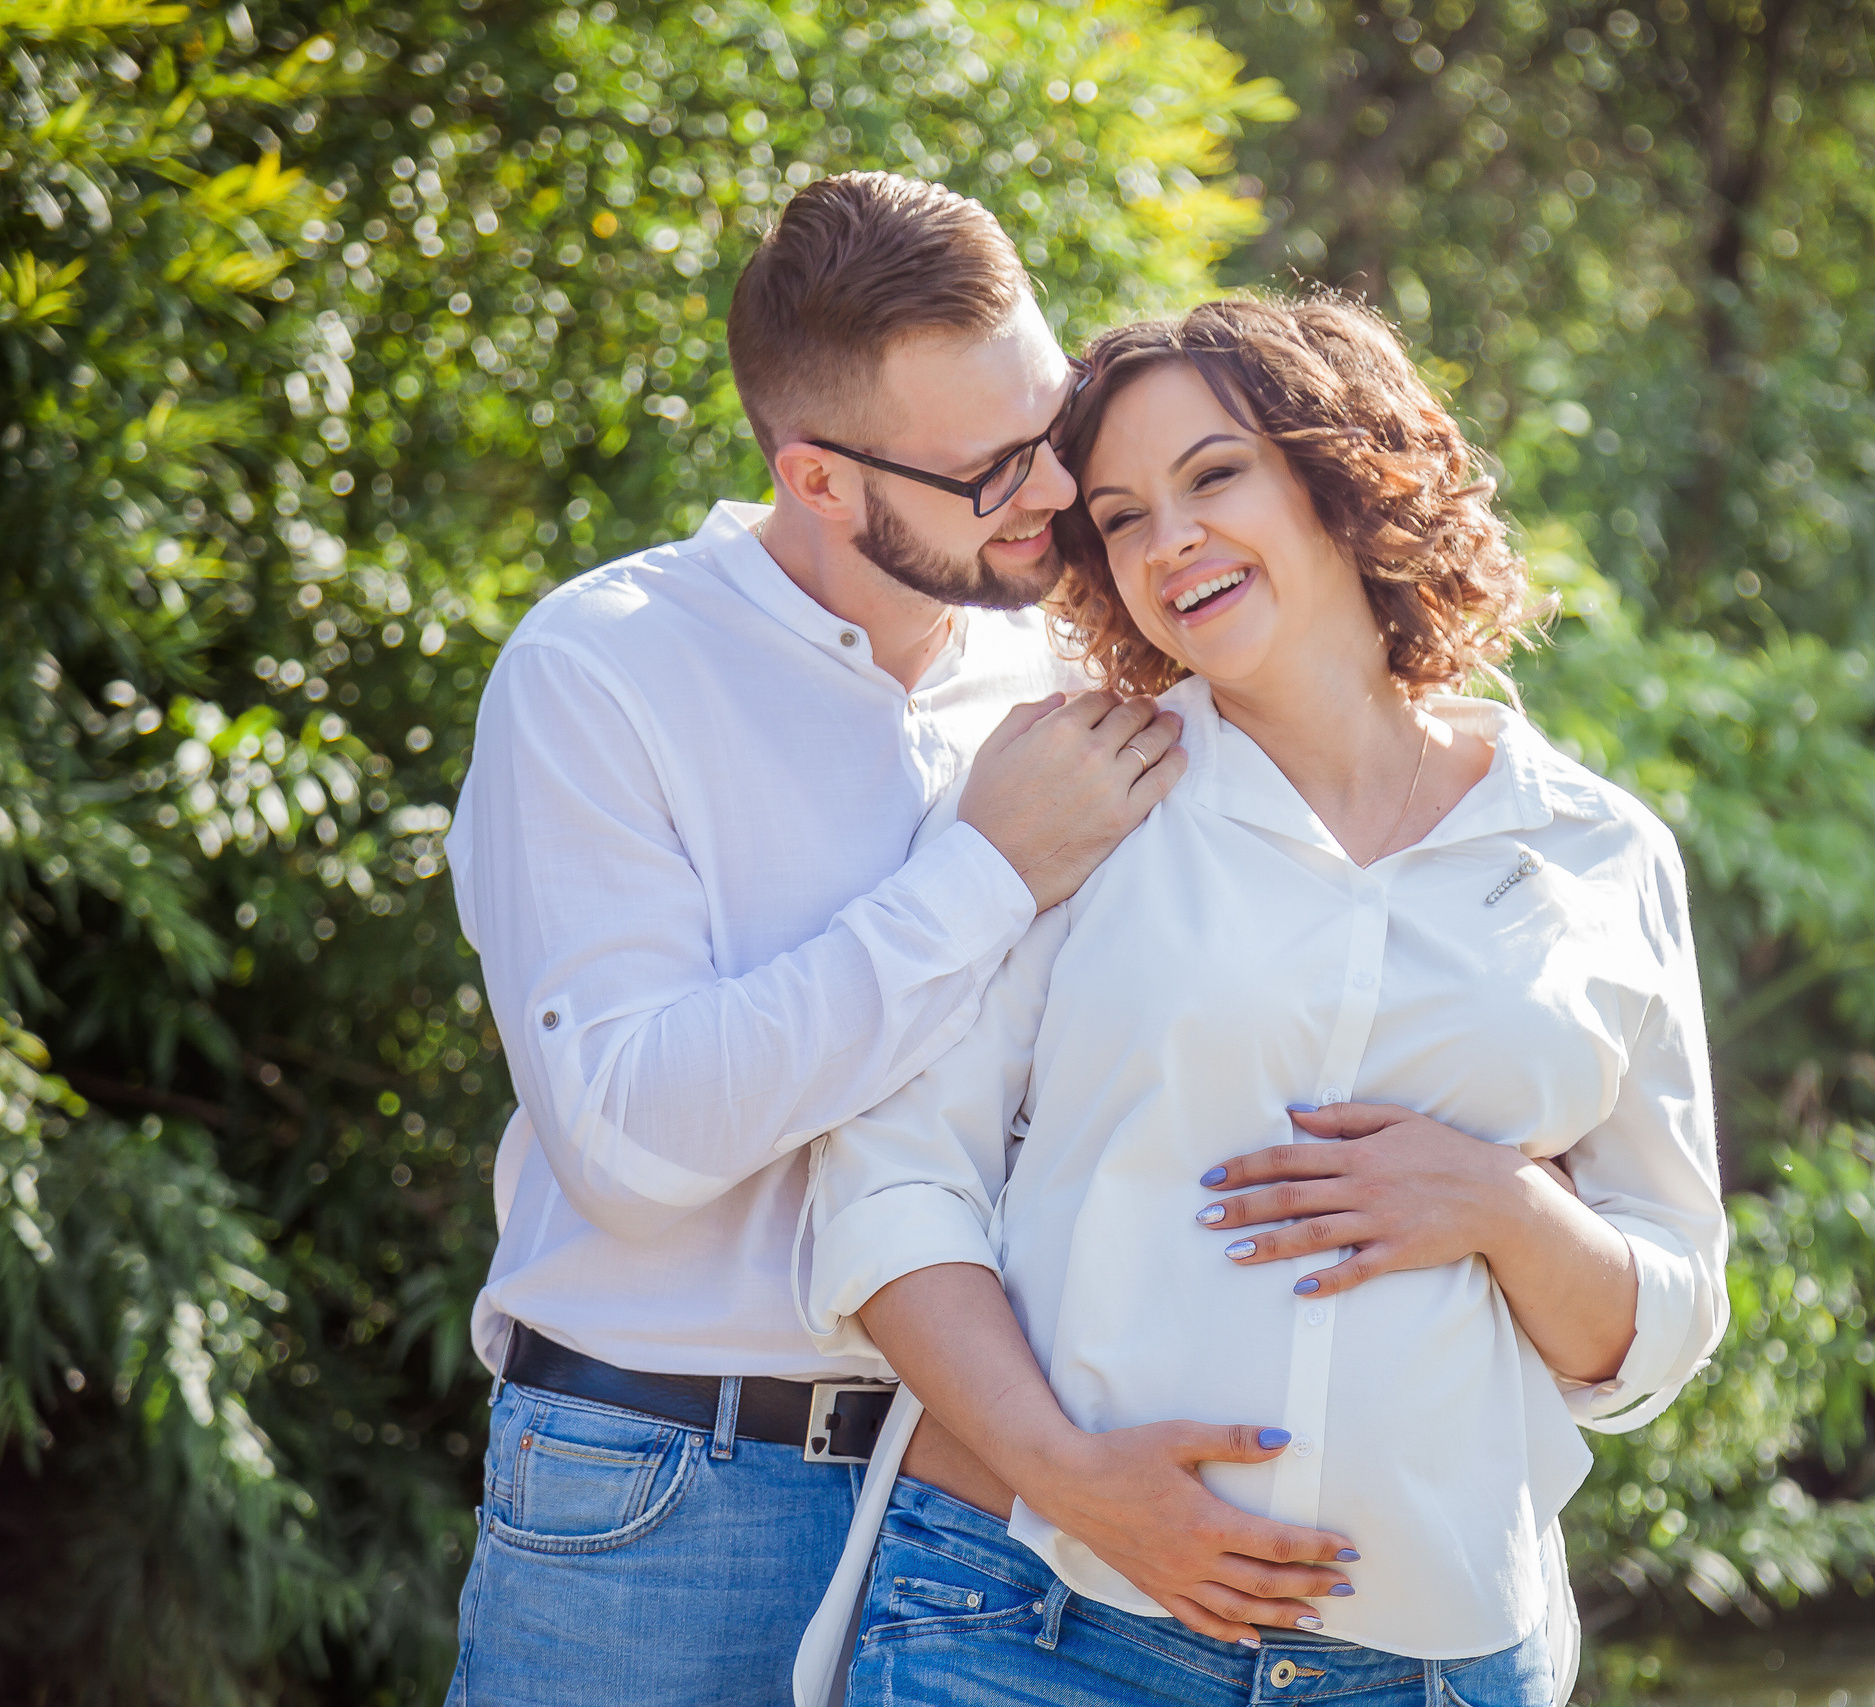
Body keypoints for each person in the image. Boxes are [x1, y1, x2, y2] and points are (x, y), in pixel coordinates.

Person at [440, 174, 1342, 1706]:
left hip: (998, 1506)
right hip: (669, 1490)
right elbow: (632, 1143)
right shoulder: (602, 672)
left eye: (1052, 431)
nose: (1055, 492)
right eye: (992, 471)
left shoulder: (1082, 665)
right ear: (820, 480)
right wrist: (989, 866)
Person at [803, 297, 1729, 1706]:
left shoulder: (1594, 853)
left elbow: (1662, 1320)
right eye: (1119, 515)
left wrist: (1504, 1208)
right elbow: (888, 1185)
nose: (1168, 540)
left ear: (1344, 474)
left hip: (1429, 1665)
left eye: (1214, 475)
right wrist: (1076, 1483)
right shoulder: (1079, 790)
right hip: (1037, 1619)